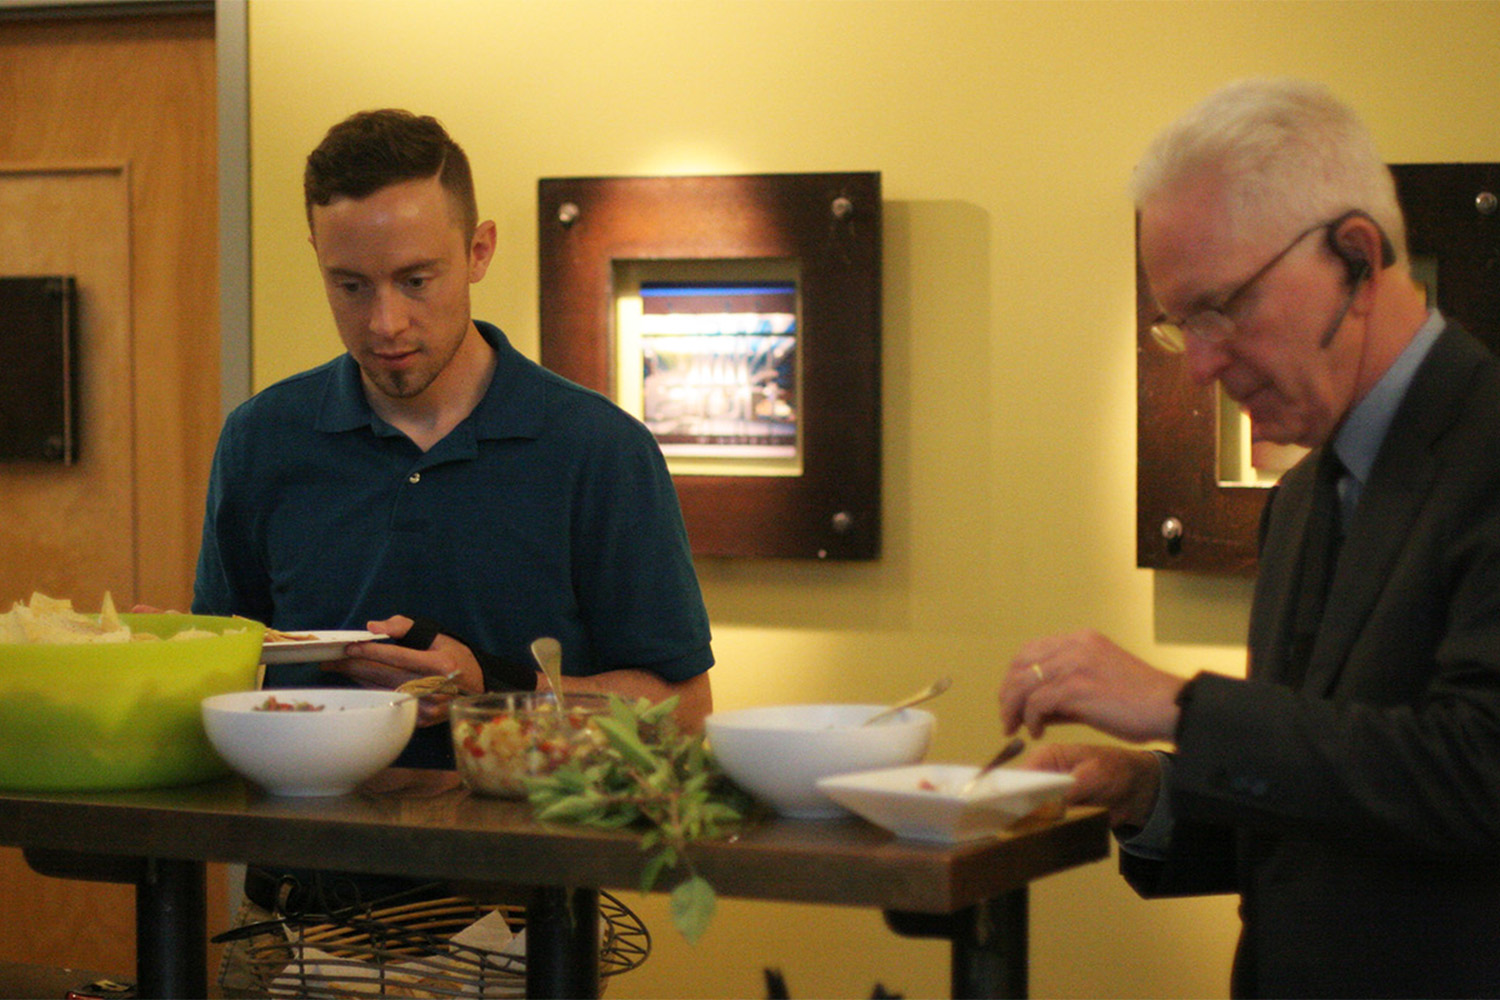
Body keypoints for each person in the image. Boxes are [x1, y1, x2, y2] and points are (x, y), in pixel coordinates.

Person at [999, 78, 1500, 999]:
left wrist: (1182, 707)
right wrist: (1150, 793)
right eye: (1180, 324)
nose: (1199, 364)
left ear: (1355, 257)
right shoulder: (1307, 497)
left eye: (1222, 309)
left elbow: (1477, 776)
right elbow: (1325, 804)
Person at [194, 109, 714, 987]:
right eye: (349, 285)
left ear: (479, 252)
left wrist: (491, 690)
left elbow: (681, 712)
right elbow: (219, 673)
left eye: (416, 279)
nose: (385, 321)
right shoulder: (261, 442)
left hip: (518, 927)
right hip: (286, 923)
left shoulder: (595, 449)